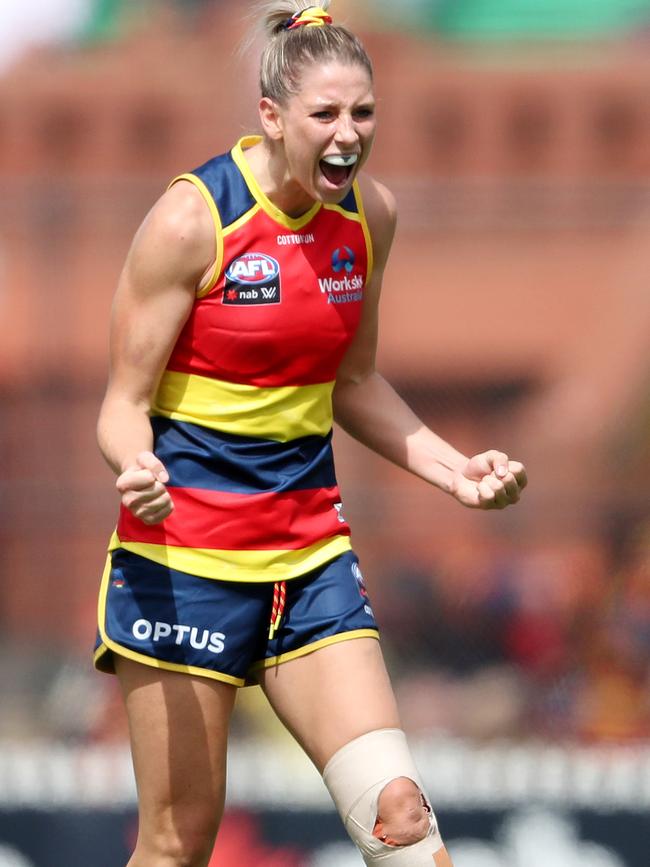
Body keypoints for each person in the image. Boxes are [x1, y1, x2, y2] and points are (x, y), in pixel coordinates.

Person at [94, 3, 527, 865]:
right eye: (325, 114)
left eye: (362, 113)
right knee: (178, 843)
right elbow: (120, 401)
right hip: (186, 564)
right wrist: (134, 461)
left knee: (401, 817)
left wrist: (454, 470)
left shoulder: (371, 219)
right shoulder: (193, 221)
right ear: (271, 115)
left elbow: (354, 381)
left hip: (310, 561)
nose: (347, 134)